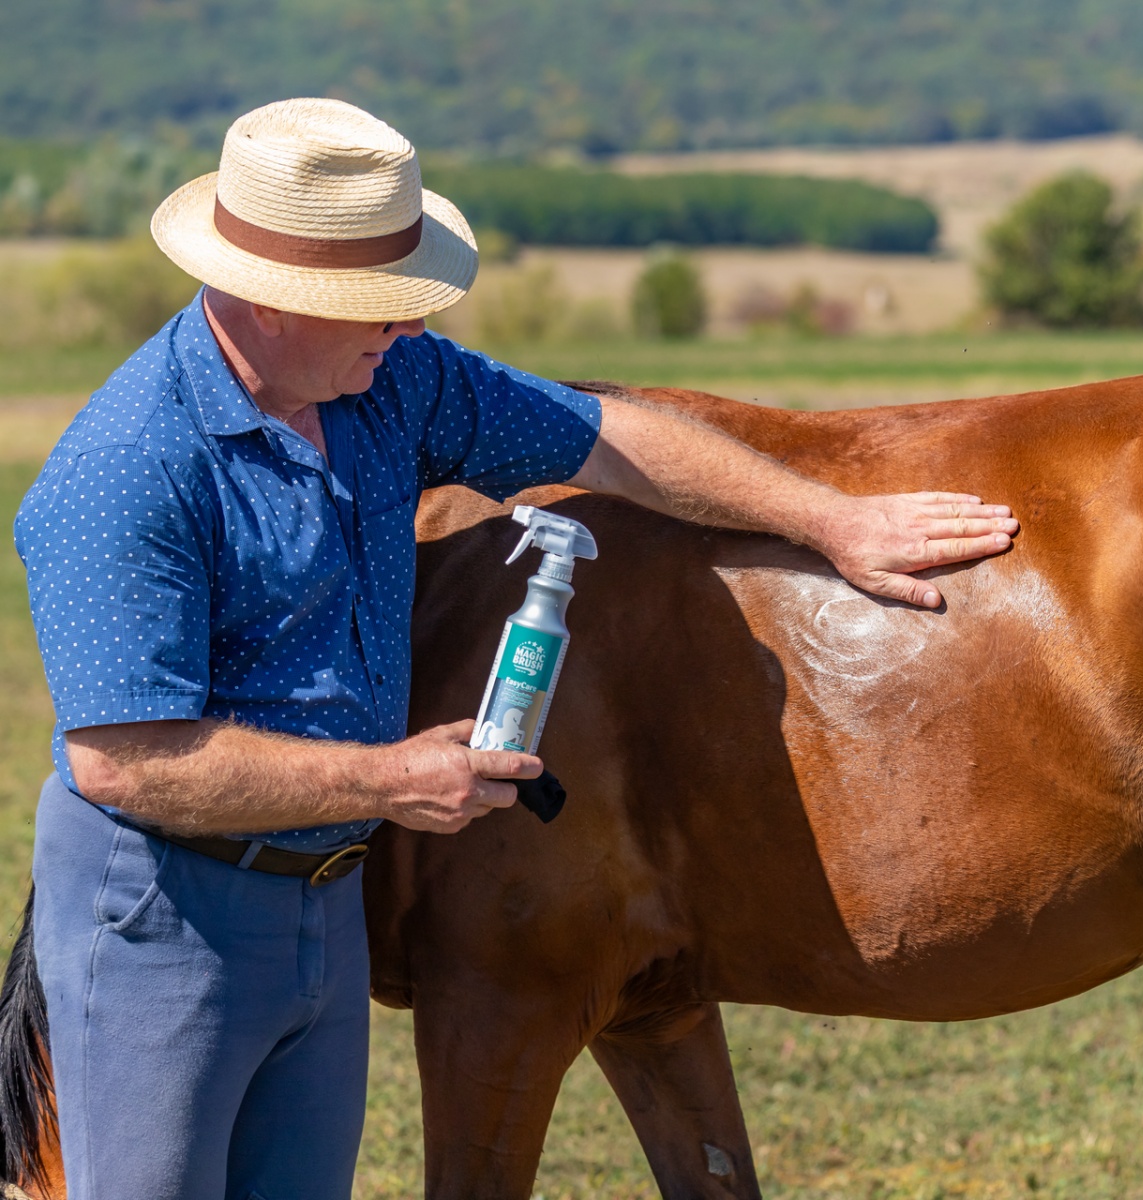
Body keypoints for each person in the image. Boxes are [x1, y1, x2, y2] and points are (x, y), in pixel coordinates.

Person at [13, 97, 1018, 1200]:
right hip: (167, 916)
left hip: (322, 903)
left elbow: (609, 439)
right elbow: (125, 760)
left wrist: (828, 519)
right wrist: (390, 780)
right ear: (268, 297)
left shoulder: (389, 383)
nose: (408, 325)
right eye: (379, 302)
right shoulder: (129, 468)